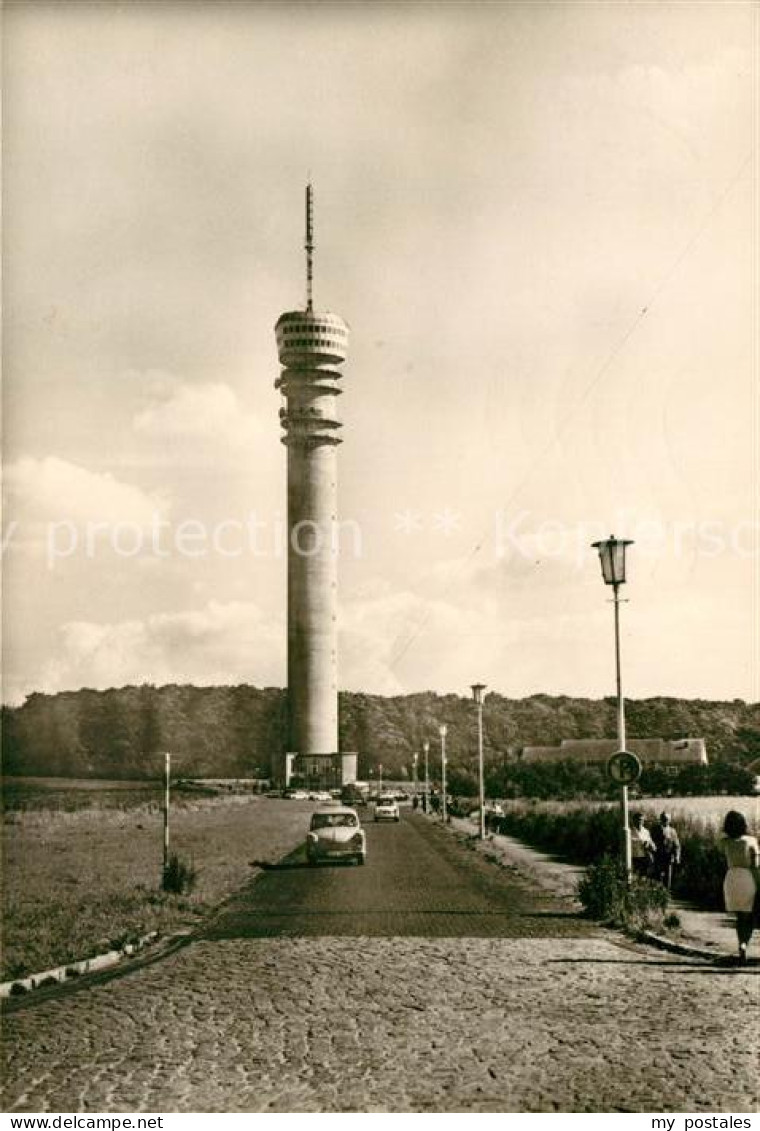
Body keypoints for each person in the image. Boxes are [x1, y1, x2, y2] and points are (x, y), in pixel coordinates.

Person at [722, 810, 759, 964]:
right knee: (748, 917)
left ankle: (741, 944)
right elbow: (755, 866)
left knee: (739, 918)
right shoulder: (750, 841)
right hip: (747, 878)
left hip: (731, 878)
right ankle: (745, 943)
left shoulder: (725, 841)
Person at [651, 811, 680, 890]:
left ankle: (666, 893)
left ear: (669, 820)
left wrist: (677, 856)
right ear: (660, 819)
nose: (665, 821)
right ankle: (657, 893)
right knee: (657, 875)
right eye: (663, 819)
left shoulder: (672, 831)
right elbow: (651, 841)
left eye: (666, 819)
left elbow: (676, 845)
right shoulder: (655, 829)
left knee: (668, 876)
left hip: (668, 856)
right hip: (658, 855)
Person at [629, 812, 655, 878]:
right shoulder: (629, 831)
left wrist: (649, 844)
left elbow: (652, 844)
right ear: (633, 820)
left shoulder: (646, 831)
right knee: (634, 876)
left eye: (641, 820)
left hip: (644, 858)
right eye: (638, 820)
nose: (639, 822)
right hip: (633, 858)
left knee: (643, 876)